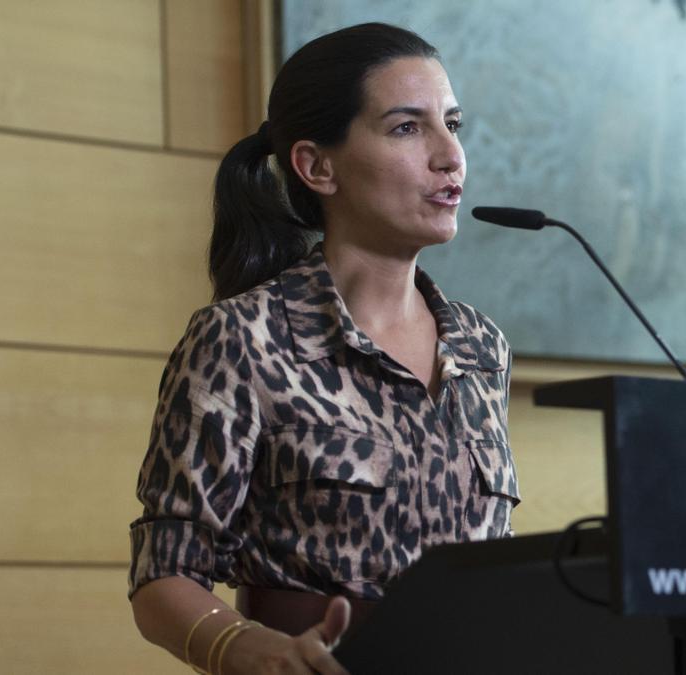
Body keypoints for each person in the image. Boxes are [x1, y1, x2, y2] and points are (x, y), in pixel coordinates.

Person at [128, 23, 520, 674]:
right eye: (407, 127)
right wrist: (245, 647)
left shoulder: (483, 347)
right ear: (315, 165)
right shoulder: (243, 339)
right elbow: (163, 572)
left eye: (452, 123)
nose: (451, 156)